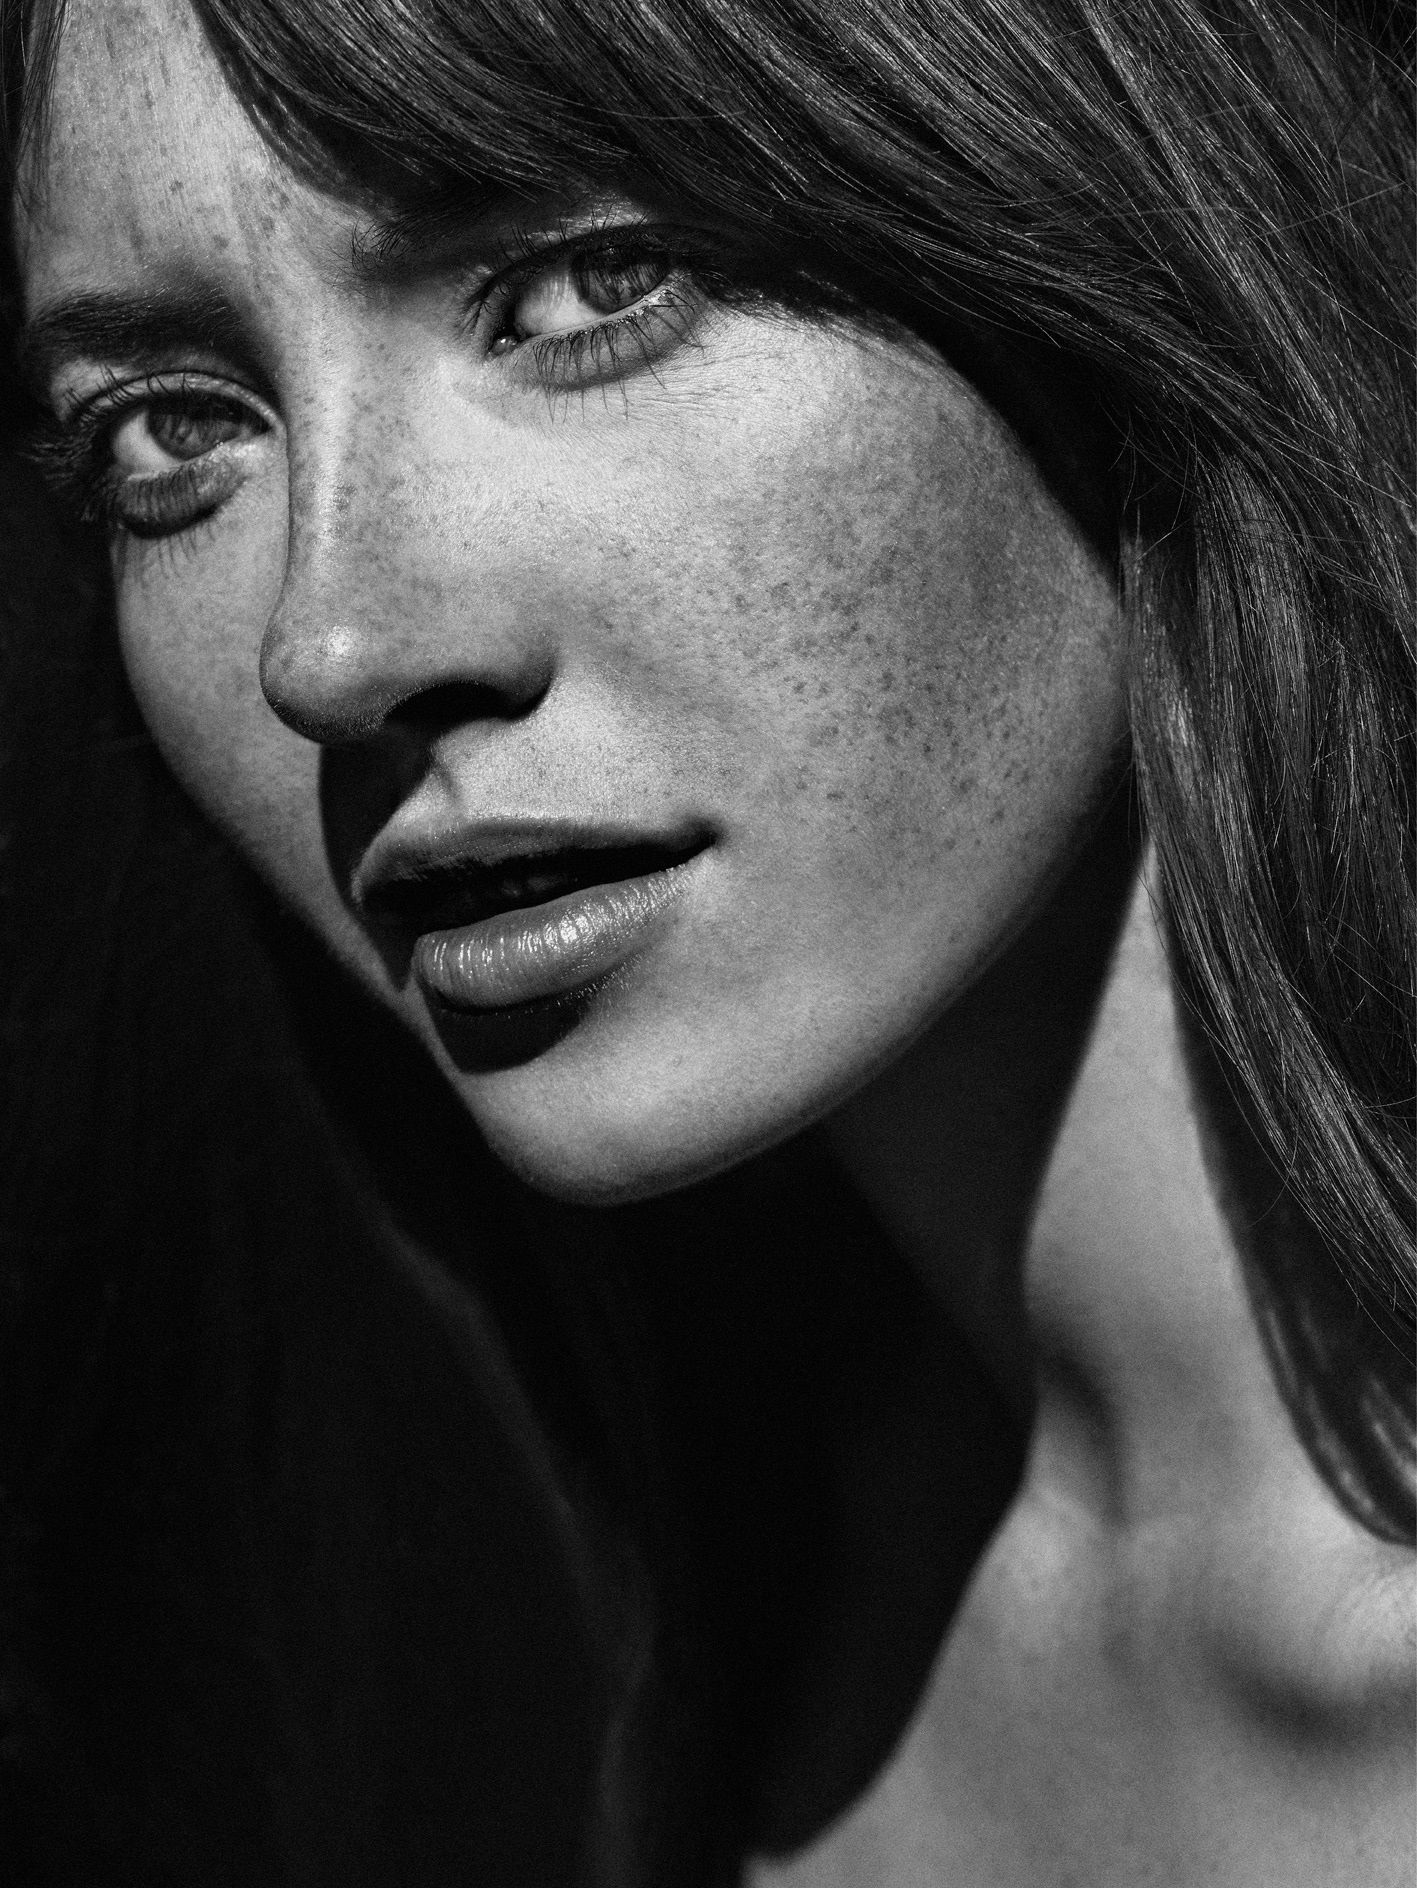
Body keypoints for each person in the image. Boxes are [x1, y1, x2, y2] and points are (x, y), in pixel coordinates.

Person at [1, 0, 1411, 1882]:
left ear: (1114, 212)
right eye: (172, 429)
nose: (326, 649)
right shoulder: (600, 1656)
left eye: (587, 288)